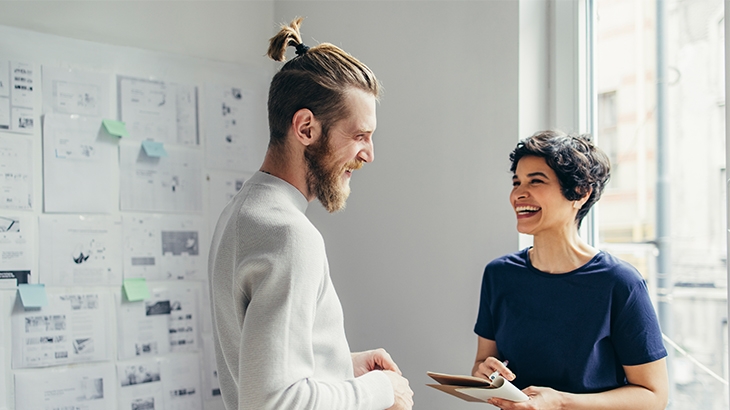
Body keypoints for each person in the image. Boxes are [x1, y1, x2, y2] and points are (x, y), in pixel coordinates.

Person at [208, 17, 413, 410]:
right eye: (360, 136)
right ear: (305, 128)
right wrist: (382, 390)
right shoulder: (290, 235)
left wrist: (340, 365)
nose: (369, 154)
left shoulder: (240, 213)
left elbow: (257, 369)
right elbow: (274, 401)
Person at [471, 130, 668, 410]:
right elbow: (482, 363)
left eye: (536, 181)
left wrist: (561, 402)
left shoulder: (620, 283)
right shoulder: (498, 275)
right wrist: (483, 372)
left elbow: (653, 395)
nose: (518, 193)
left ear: (580, 193)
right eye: (517, 182)